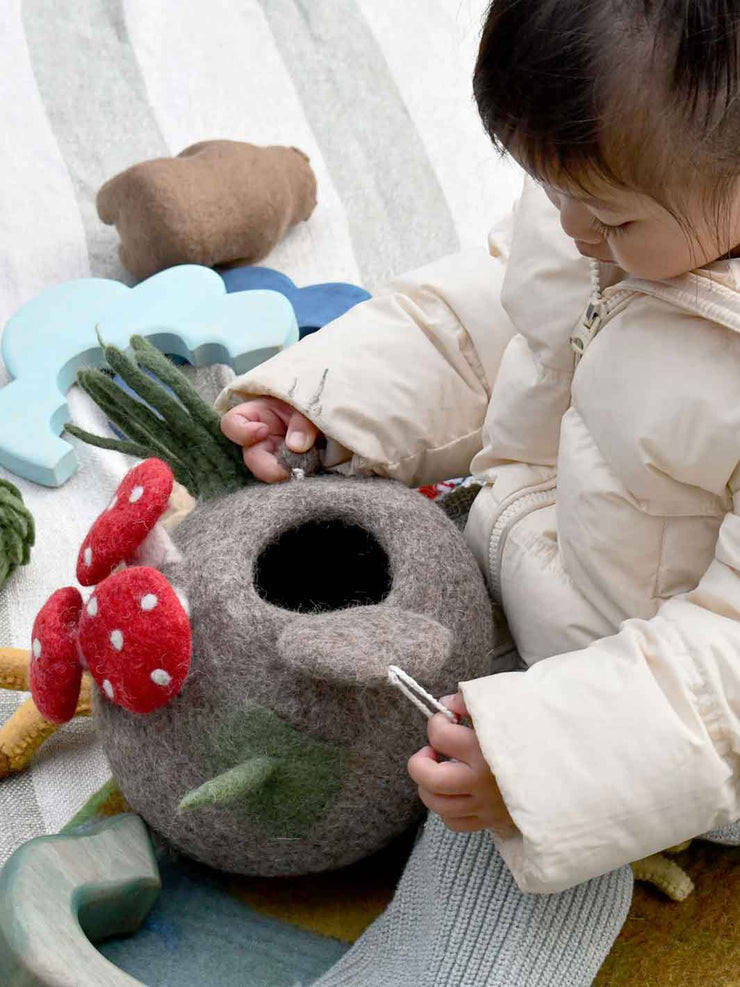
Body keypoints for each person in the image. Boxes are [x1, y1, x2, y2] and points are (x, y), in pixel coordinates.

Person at [217, 2, 740, 982]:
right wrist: (343, 400)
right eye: (545, 185)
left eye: (610, 213)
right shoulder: (597, 217)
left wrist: (545, 760)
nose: (571, 227)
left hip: (676, 731)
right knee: (293, 637)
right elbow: (491, 316)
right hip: (542, 574)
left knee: (513, 865)